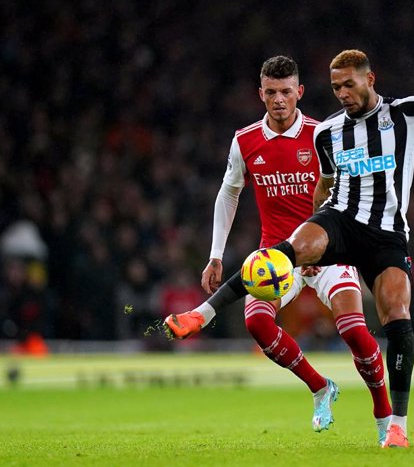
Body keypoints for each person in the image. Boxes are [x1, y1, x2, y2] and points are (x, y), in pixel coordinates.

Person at [196, 35, 414, 448]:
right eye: (335, 87)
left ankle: (396, 425)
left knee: (394, 314)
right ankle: (206, 312)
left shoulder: (403, 115)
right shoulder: (329, 133)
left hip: (386, 236)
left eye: (348, 85)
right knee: (278, 263)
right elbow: (324, 187)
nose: (341, 94)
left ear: (370, 79)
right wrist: (318, 232)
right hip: (339, 223)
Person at [164, 56, 392, 444]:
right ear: (261, 94)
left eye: (286, 92)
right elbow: (229, 192)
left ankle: (386, 419)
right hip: (276, 257)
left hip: (328, 250)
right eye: (271, 92)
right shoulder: (245, 140)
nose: (279, 100)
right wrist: (215, 253)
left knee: (353, 330)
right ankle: (320, 388)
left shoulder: (325, 135)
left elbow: (349, 193)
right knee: (256, 323)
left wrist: (343, 241)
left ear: (299, 92)